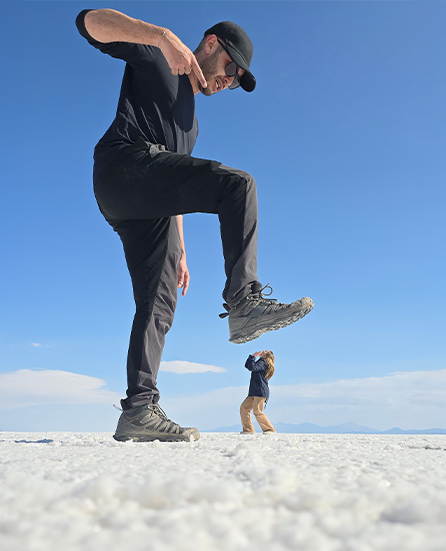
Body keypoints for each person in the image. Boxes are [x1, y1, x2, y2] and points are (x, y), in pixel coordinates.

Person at [76, 9, 313, 443]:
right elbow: (88, 22)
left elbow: (173, 181)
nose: (230, 81)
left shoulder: (192, 124)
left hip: (147, 199)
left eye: (238, 80)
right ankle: (243, 302)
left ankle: (138, 410)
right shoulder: (159, 55)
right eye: (231, 68)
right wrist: (161, 36)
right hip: (124, 164)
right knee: (239, 186)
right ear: (210, 44)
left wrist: (180, 248)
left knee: (159, 301)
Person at [240, 350, 276, 434]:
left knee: (257, 411)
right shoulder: (261, 362)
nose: (262, 351)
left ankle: (270, 429)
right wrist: (251, 357)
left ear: (267, 355)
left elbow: (252, 367)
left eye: (265, 351)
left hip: (260, 391)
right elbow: (248, 366)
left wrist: (253, 357)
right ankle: (248, 430)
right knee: (244, 408)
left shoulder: (264, 362)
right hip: (253, 392)